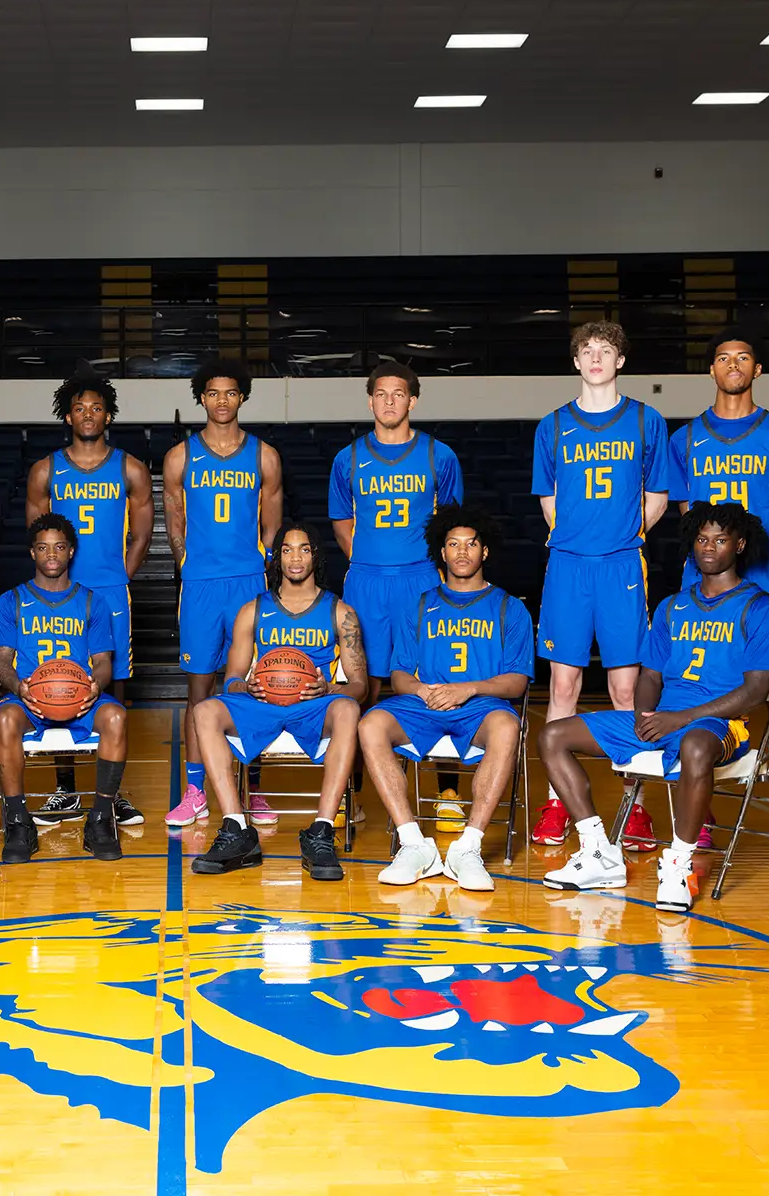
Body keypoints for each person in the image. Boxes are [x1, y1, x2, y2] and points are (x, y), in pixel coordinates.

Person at [535, 503, 769, 913]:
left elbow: (756, 691)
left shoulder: (758, 608)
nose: (709, 548)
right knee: (553, 735)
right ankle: (599, 852)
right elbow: (650, 677)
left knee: (696, 747)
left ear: (739, 545)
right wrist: (643, 717)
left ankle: (679, 865)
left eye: (720, 540)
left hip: (719, 727)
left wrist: (680, 719)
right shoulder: (672, 607)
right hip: (664, 720)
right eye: (702, 539)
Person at [668, 332, 769, 858]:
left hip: (766, 582)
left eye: (743, 358)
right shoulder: (684, 439)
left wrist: (755, 552)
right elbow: (686, 515)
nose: (734, 365)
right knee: (687, 686)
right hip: (701, 584)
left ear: (757, 369)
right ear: (712, 370)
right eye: (724, 358)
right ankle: (698, 814)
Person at [529, 320, 671, 851]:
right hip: (568, 567)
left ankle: (633, 810)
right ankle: (555, 803)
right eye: (586, 350)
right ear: (575, 362)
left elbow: (656, 495)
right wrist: (579, 539)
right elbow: (550, 505)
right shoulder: (553, 426)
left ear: (620, 362)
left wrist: (620, 536)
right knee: (562, 688)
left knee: (625, 691)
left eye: (605, 350)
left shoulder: (644, 420)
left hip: (621, 568)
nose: (595, 358)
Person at [364, 505, 532, 893]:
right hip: (426, 703)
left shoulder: (510, 608)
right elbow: (400, 674)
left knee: (508, 726)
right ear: (441, 552)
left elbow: (518, 682)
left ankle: (467, 849)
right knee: (370, 722)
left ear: (484, 552)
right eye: (452, 544)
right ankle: (414, 845)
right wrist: (422, 690)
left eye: (470, 544)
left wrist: (469, 688)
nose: (461, 552)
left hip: (480, 706)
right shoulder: (419, 604)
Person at [189, 522, 368, 880]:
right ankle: (237, 827)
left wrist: (329, 689)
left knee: (348, 709)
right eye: (287, 550)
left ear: (315, 556)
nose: (295, 558)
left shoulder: (341, 612)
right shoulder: (252, 610)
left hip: (313, 701)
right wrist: (247, 687)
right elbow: (233, 678)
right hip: (264, 702)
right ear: (276, 558)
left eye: (303, 549)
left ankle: (321, 830)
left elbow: (360, 685)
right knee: (206, 709)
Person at [329, 362, 465, 814]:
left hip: (422, 581)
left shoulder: (438, 455)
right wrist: (369, 561)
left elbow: (451, 525)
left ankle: (445, 791)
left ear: (413, 400)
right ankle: (354, 794)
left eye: (398, 393)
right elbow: (342, 522)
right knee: (361, 687)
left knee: (430, 679)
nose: (390, 401)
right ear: (370, 400)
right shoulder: (347, 458)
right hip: (367, 581)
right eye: (381, 394)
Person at [24, 364, 153, 825]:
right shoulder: (46, 470)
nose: (88, 414)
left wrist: (121, 577)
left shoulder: (130, 468)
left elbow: (142, 533)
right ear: (68, 416)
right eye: (79, 407)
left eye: (97, 407)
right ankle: (65, 789)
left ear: (108, 415)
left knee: (112, 686)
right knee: (57, 678)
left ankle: (109, 793)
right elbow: (38, 535)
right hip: (62, 593)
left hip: (110, 590)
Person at [162, 359, 284, 827]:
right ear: (201, 398)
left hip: (248, 583)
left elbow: (271, 522)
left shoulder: (264, 455)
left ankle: (253, 791)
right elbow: (174, 519)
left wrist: (265, 561)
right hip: (200, 586)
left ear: (242, 397)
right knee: (200, 691)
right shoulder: (180, 456)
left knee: (261, 687)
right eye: (212, 393)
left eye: (230, 393)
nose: (221, 401)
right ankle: (196, 791)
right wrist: (184, 562)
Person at [0, 514, 130, 866]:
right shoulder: (11, 602)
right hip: (30, 699)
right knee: (5, 718)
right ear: (32, 553)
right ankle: (19, 821)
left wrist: (95, 687)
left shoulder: (91, 602)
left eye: (59, 547)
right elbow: (2, 663)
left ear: (71, 552)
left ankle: (99, 820)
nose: (51, 554)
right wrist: (19, 689)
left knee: (115, 716)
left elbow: (102, 662)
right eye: (42, 547)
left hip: (80, 699)